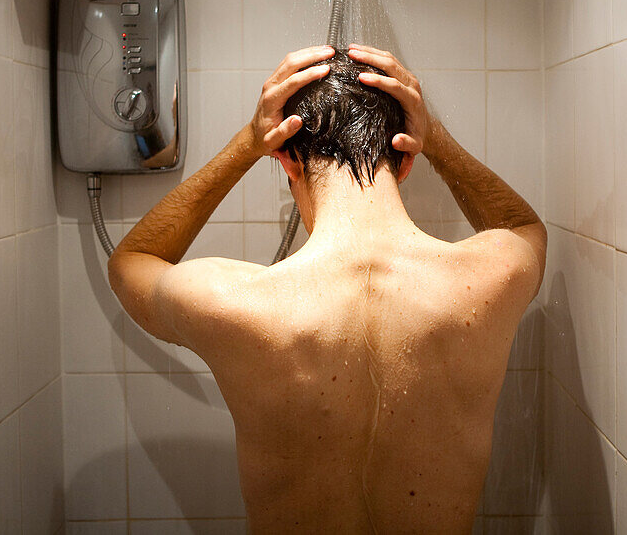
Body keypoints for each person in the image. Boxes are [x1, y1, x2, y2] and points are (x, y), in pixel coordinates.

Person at [108, 44, 547, 532]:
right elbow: (523, 225)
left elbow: (130, 261)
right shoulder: (490, 279)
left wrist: (249, 142)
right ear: (406, 162)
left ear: (287, 163)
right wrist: (435, 139)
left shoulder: (234, 304)